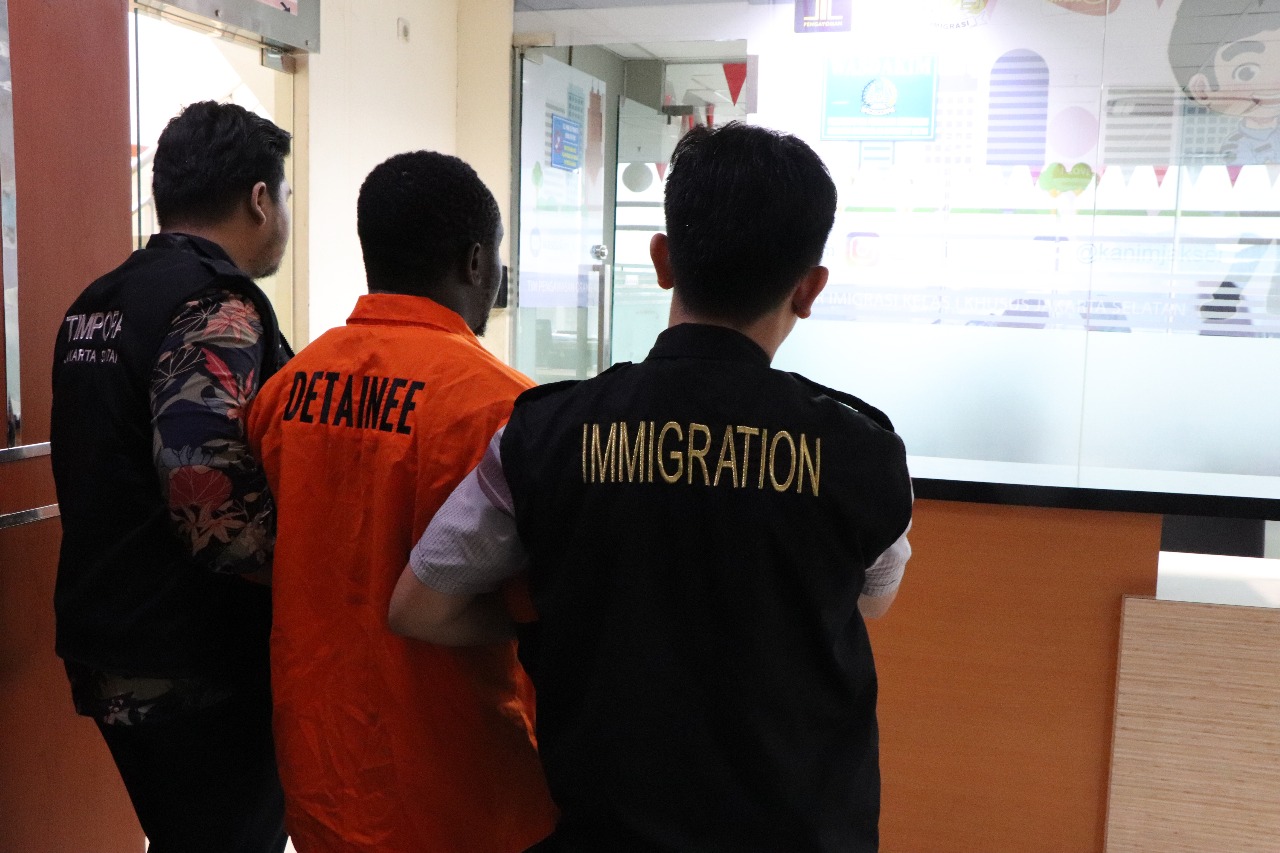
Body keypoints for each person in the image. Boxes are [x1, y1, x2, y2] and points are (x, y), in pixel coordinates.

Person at [389, 122, 915, 852]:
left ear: (662, 261)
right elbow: (874, 597)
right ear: (810, 287)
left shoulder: (545, 434)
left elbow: (418, 606)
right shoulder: (862, 451)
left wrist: (550, 618)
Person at [246, 151, 556, 853]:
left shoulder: (285, 391)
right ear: (476, 261)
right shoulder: (506, 410)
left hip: (322, 775)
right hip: (463, 787)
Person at [50, 101, 293, 852]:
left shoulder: (98, 303)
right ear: (260, 198)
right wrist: (314, 574)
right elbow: (209, 503)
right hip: (193, 660)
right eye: (285, 196)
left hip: (108, 643)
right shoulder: (216, 306)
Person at [1168, 0, 1280, 165]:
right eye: (1246, 72)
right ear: (1201, 90)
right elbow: (1238, 172)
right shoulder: (1235, 145)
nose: (1275, 84)